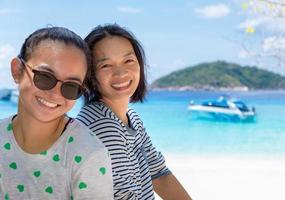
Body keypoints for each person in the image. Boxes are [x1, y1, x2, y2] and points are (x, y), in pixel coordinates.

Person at [77, 24, 191, 199]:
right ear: (90, 75)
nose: (121, 72)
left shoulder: (130, 116)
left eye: (128, 60)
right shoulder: (102, 126)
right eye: (106, 65)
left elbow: (159, 174)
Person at [0, 27, 113, 199]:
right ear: (17, 70)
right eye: (45, 77)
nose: (55, 93)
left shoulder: (89, 154)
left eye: (71, 87)